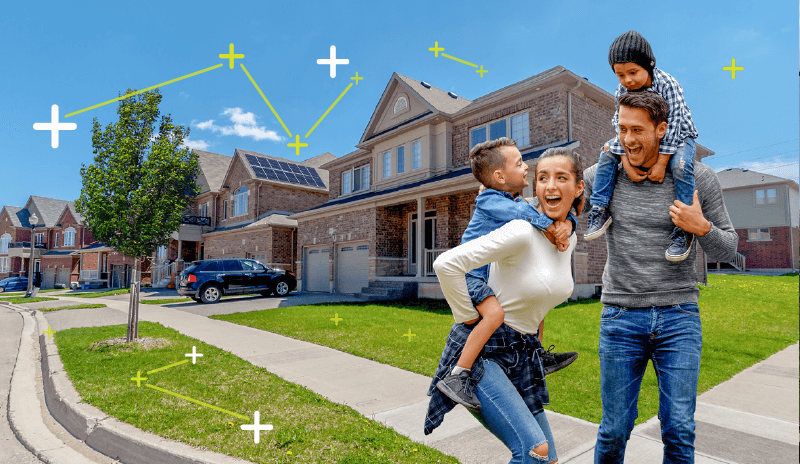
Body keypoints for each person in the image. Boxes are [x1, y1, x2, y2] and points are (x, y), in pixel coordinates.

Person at [583, 91, 738, 463]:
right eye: (622, 129)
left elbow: (728, 250)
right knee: (614, 429)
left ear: (662, 129)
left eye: (638, 129)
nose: (628, 139)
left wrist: (701, 227)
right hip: (620, 317)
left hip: (679, 316)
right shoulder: (600, 178)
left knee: (679, 429)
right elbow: (565, 221)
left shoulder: (699, 177)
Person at [425, 147, 585, 464]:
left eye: (562, 178)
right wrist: (466, 316)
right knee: (533, 451)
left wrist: (570, 224)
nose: (551, 185)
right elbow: (446, 265)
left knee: (548, 459)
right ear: (535, 189)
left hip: (522, 354)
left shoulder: (568, 239)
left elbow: (536, 297)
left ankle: (541, 353)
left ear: (578, 188)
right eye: (542, 177)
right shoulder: (521, 228)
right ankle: (459, 374)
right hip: (488, 352)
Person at [585, 30, 700, 263]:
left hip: (678, 137)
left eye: (633, 72)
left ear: (649, 66)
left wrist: (660, 163)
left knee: (680, 167)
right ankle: (599, 208)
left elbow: (675, 123)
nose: (627, 80)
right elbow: (619, 125)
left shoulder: (668, 84)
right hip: (637, 138)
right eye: (620, 75)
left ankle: (685, 227)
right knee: (607, 152)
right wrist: (626, 162)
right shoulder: (622, 91)